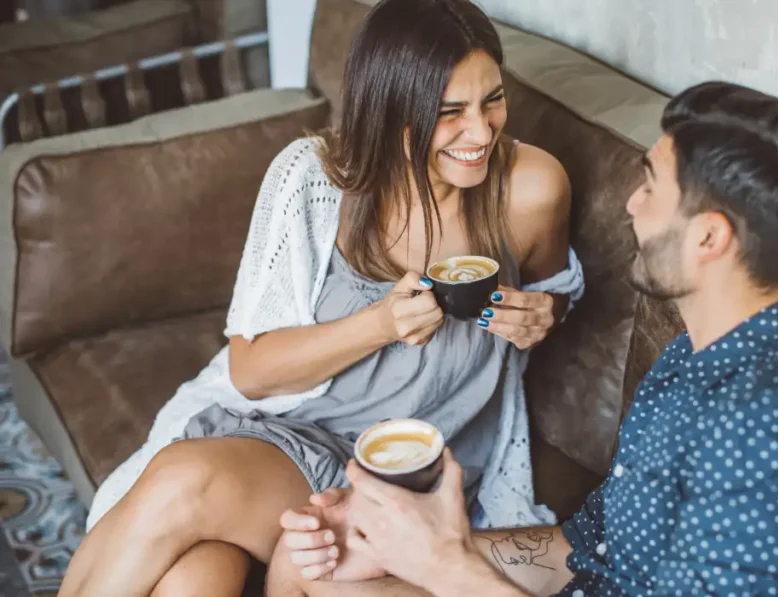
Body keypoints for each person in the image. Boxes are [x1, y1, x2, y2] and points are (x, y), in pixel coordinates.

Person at [268, 81, 778, 596]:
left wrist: (443, 566)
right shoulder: (694, 358)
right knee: (312, 561)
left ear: (709, 239)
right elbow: (586, 549)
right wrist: (419, 540)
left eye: (652, 188)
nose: (632, 206)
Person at [57, 0, 584, 595]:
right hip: (296, 439)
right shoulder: (313, 180)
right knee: (188, 526)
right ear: (391, 114)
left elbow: (551, 297)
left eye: (493, 99)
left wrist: (543, 315)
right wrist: (381, 323)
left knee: (193, 574)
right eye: (450, 112)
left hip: (406, 472)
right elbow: (251, 371)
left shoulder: (533, 188)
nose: (481, 131)